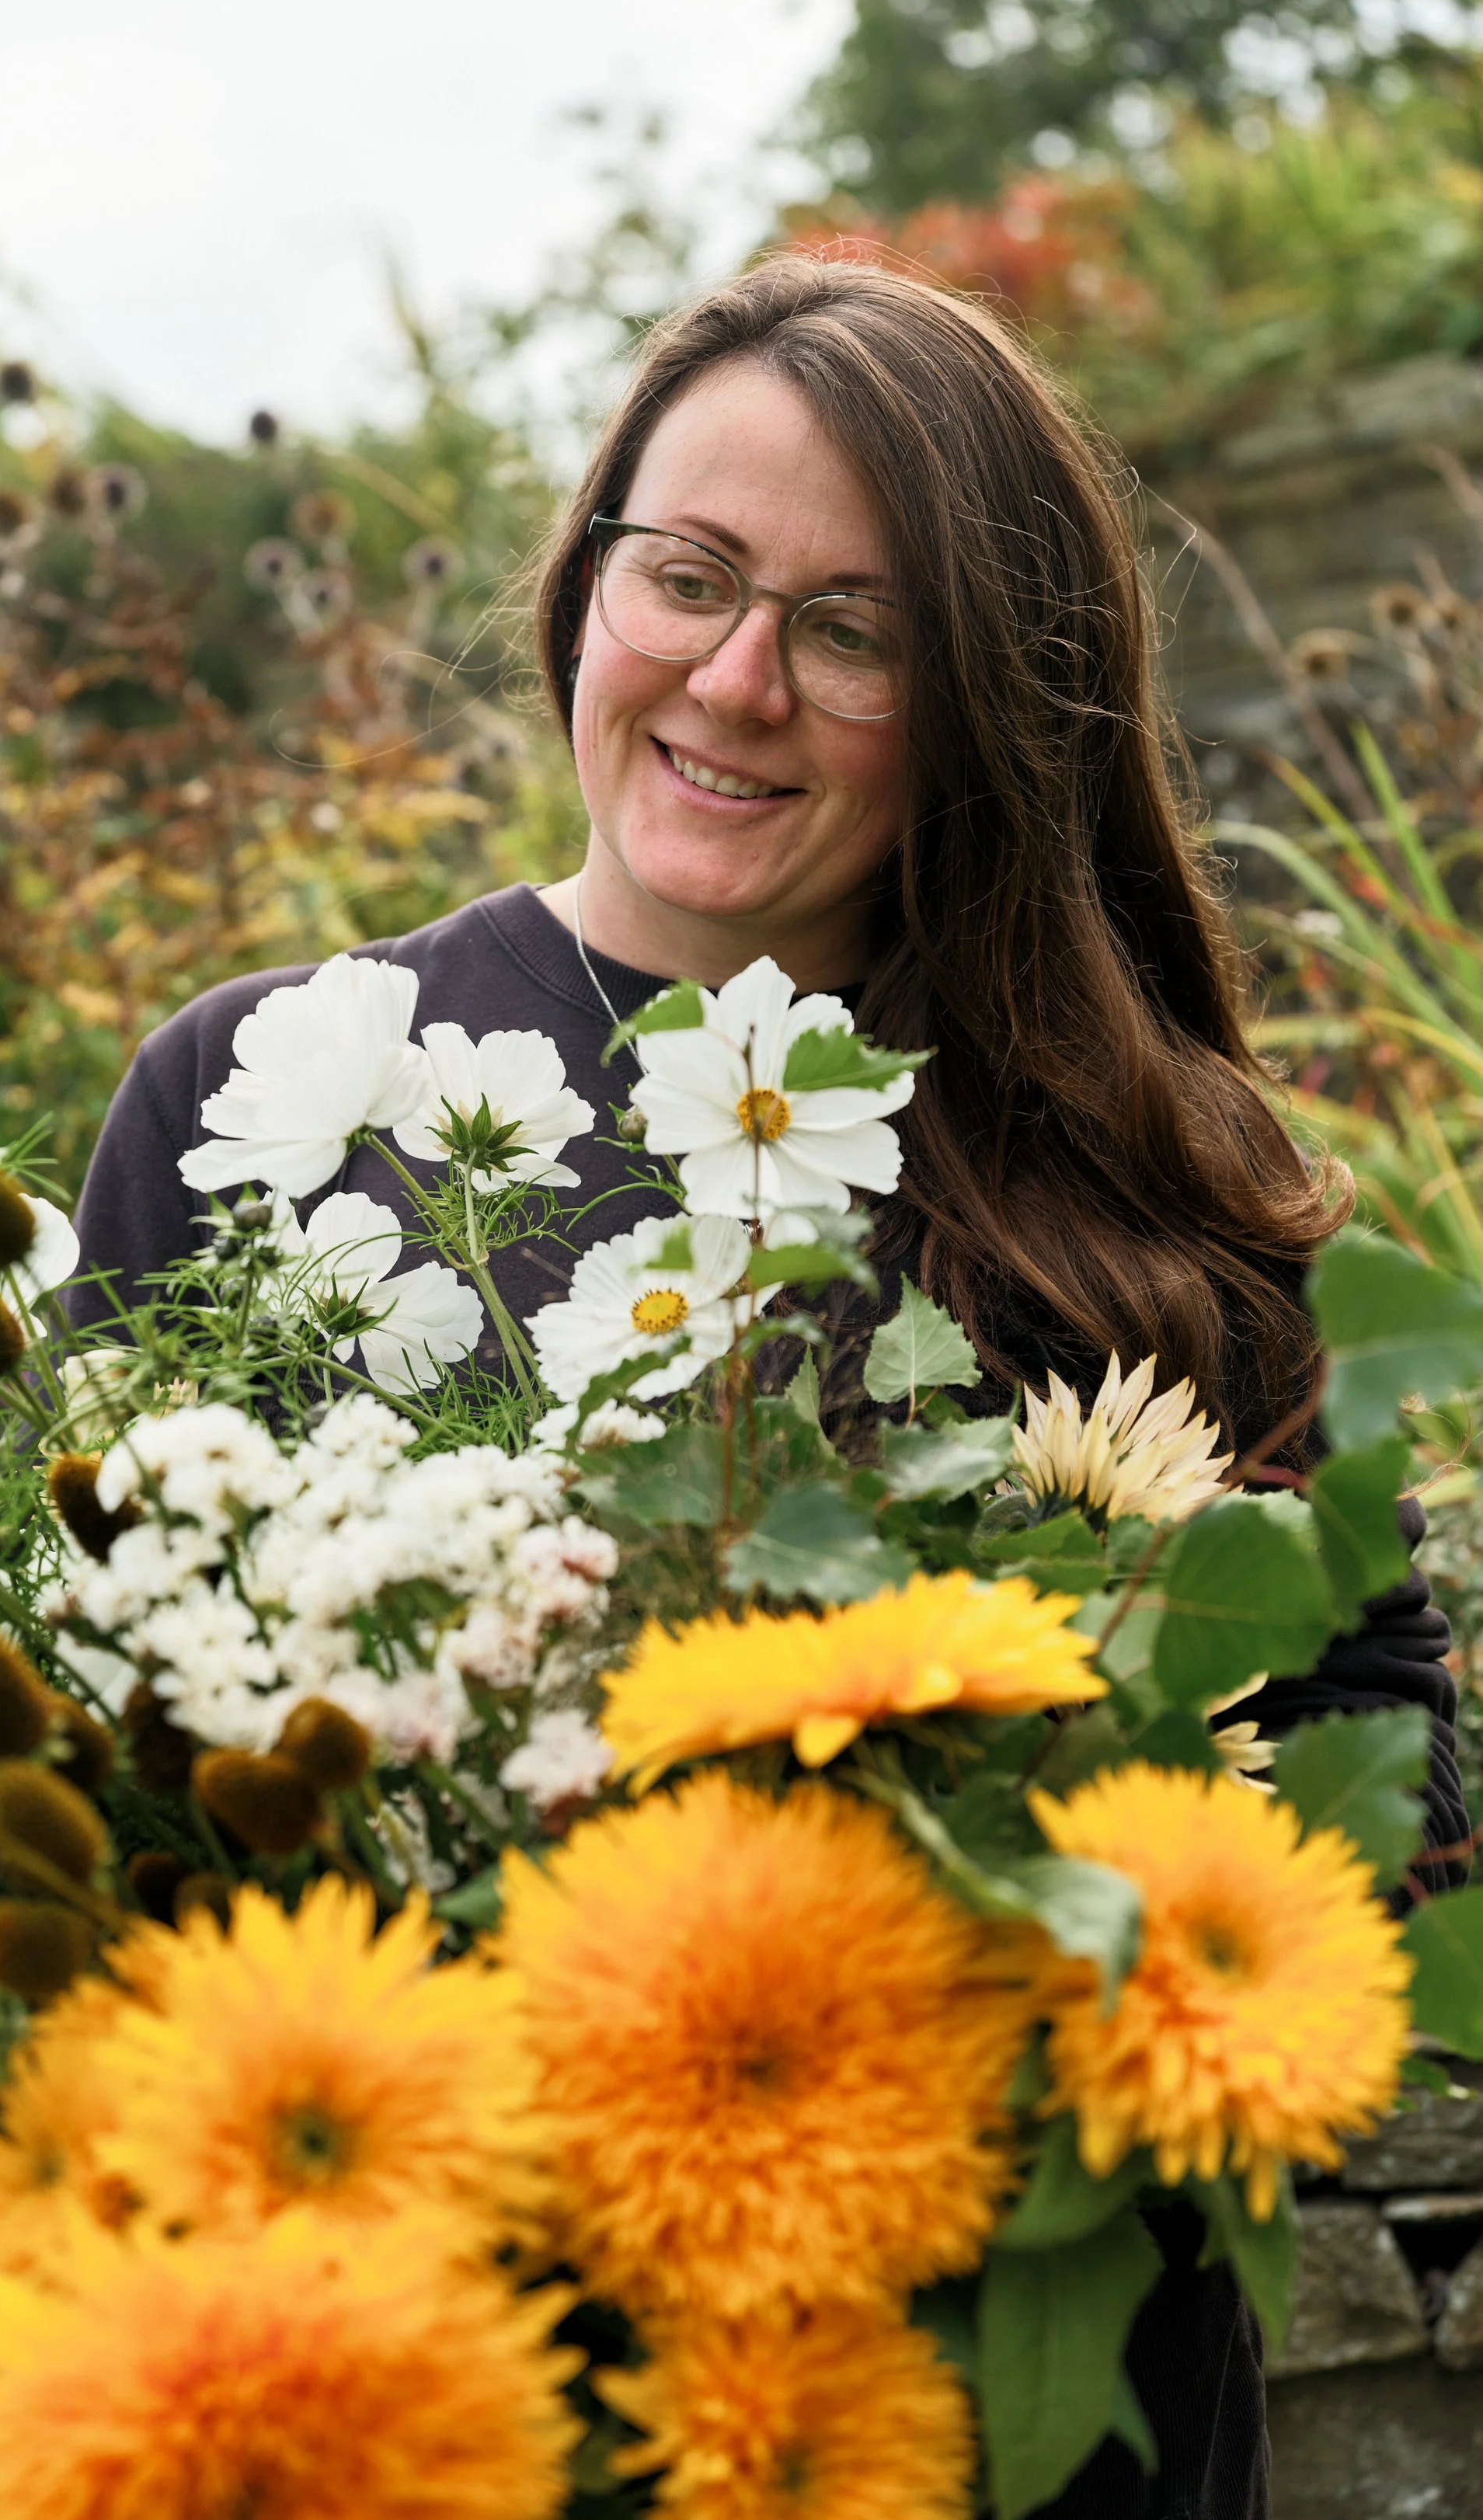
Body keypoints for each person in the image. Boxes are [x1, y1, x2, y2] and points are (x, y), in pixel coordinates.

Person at [75, 254, 1466, 2515]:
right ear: (585, 578)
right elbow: (101, 1753)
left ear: (988, 704)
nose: (738, 679)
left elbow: (1387, 1793)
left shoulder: (1129, 1184)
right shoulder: (263, 1100)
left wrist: (1044, 1908)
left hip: (1006, 2435)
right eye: (690, 577)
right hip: (456, 2398)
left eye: (851, 627)